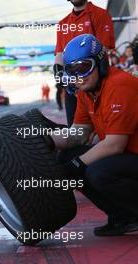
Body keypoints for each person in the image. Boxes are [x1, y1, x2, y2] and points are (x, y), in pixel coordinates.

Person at [49, 34, 138, 236]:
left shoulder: (119, 86)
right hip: (128, 156)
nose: (79, 76)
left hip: (128, 152)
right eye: (72, 70)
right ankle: (123, 217)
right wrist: (46, 140)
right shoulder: (86, 91)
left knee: (95, 171)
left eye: (84, 67)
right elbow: (79, 134)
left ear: (101, 63)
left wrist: (77, 165)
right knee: (65, 156)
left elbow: (115, 145)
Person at [54, 0, 115, 127]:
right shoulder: (62, 24)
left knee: (102, 129)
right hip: (72, 85)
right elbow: (59, 54)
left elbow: (104, 50)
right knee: (75, 129)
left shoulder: (101, 14)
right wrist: (58, 74)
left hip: (96, 86)